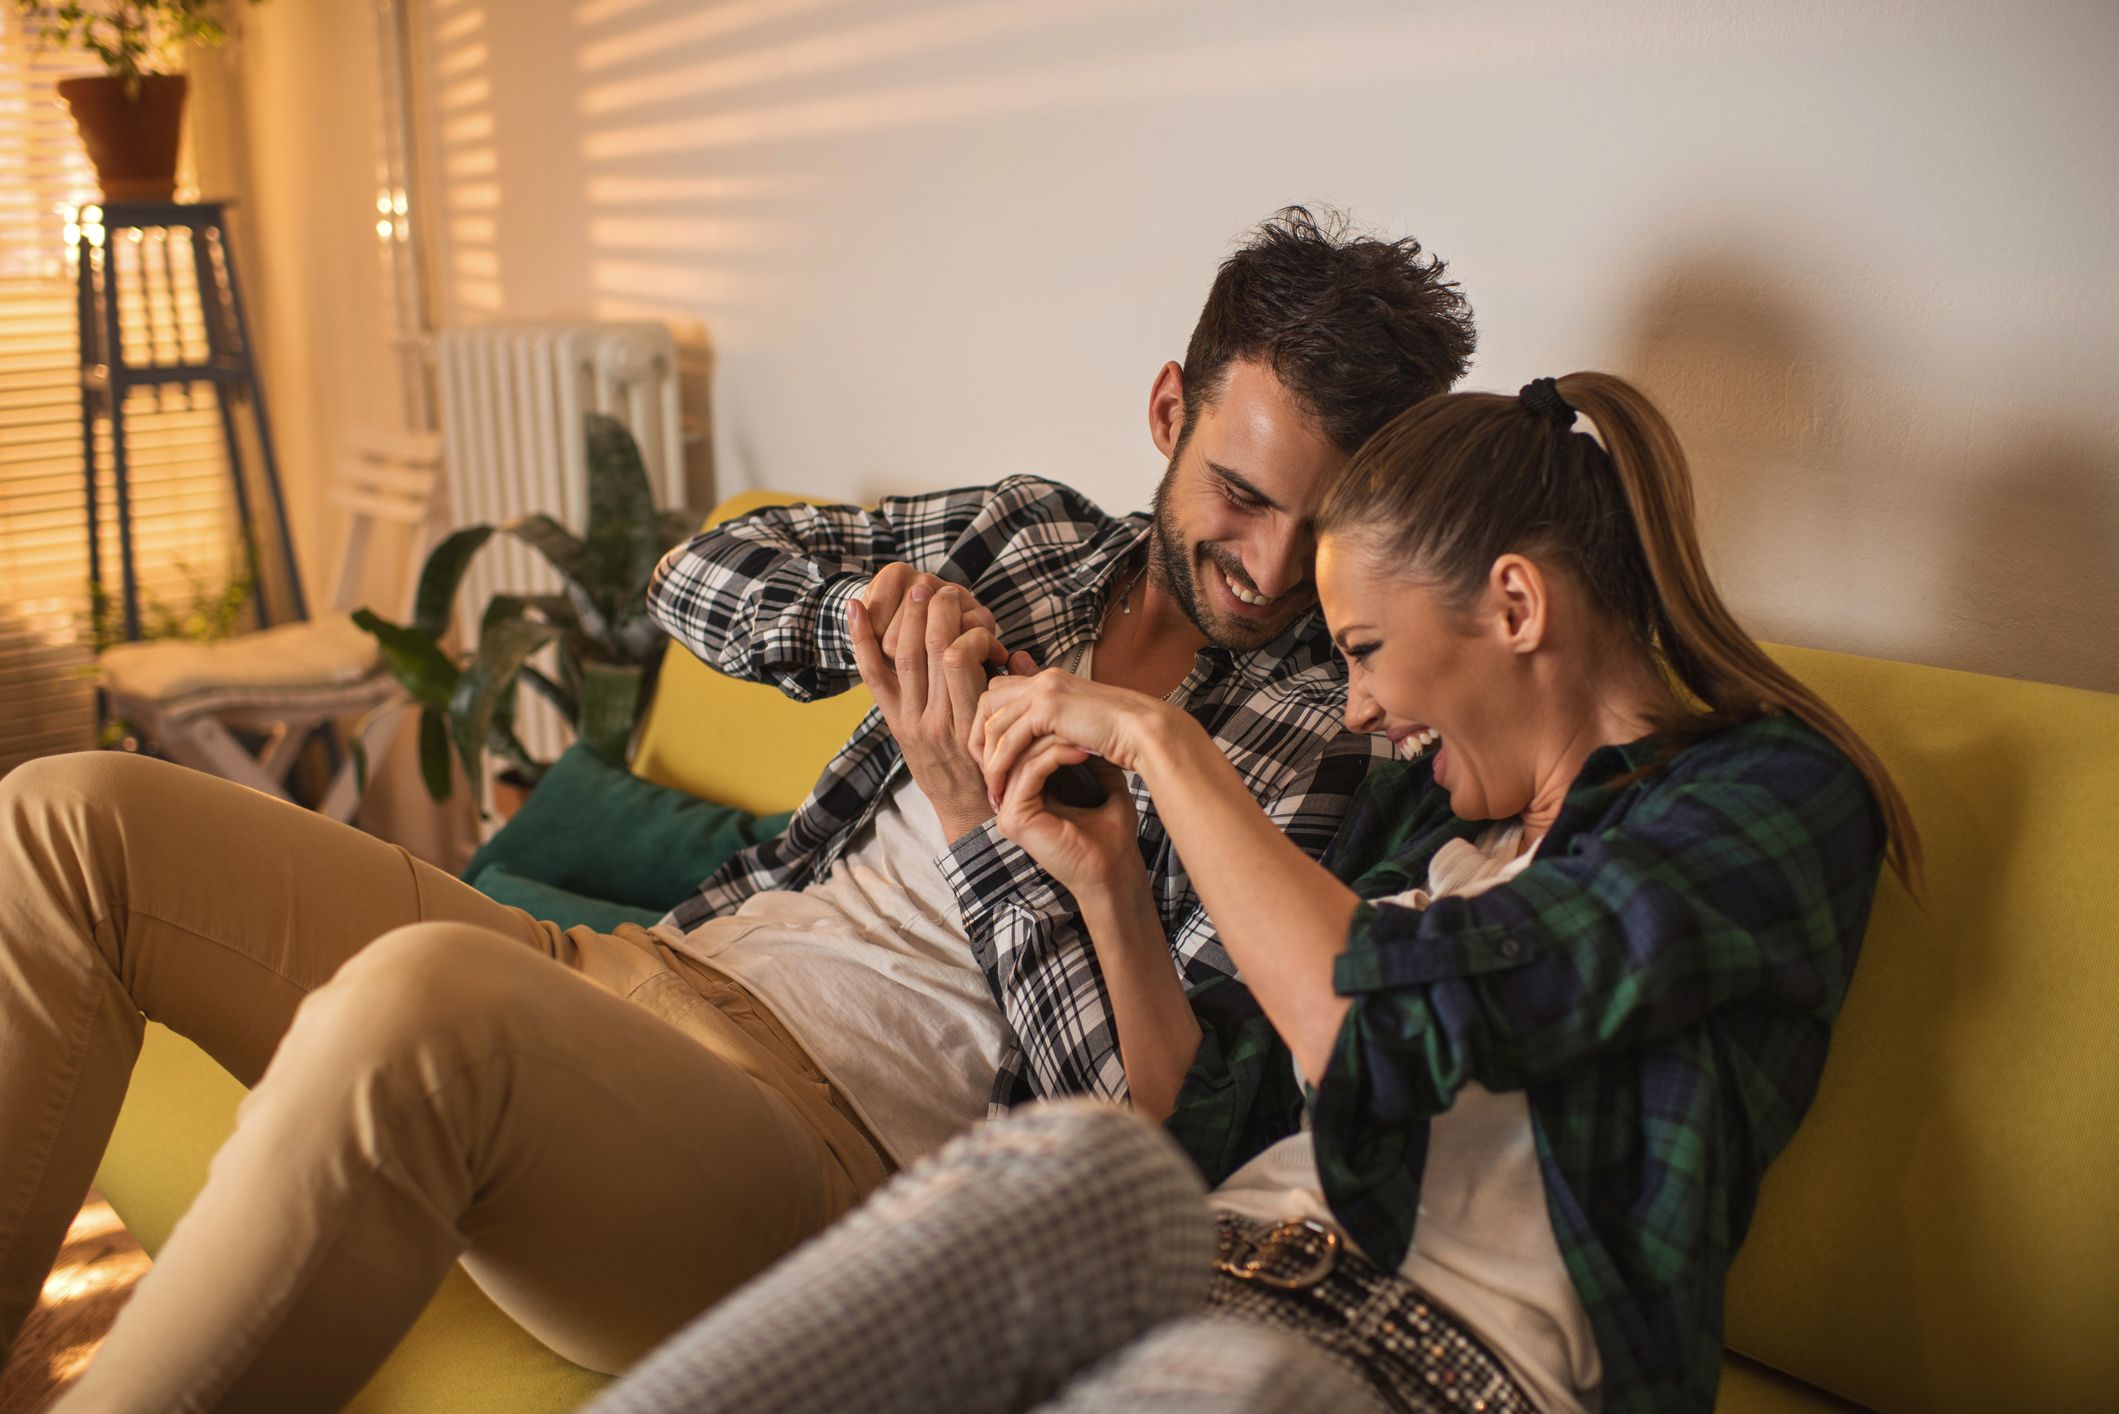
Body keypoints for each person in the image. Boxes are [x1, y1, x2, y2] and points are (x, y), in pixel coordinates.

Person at [0, 208, 1476, 1411]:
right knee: (67, 822)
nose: (1272, 567)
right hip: (645, 974)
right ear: (1168, 408)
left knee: (421, 1000)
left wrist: (974, 815)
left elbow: (1141, 1118)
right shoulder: (1025, 537)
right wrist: (866, 631)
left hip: (827, 1151)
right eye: (1239, 494)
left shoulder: (1324, 740)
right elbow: (695, 572)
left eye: (1323, 525)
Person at [576, 373, 1919, 1414]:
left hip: (1432, 1363)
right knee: (1073, 1152)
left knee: (1242, 1385)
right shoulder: (1417, 833)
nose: (1361, 707)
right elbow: (1195, 1113)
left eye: (1369, 650)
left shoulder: (1768, 799)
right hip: (1194, 1263)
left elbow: (1390, 1023)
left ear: (1515, 606)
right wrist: (1105, 879)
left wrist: (1167, 743)